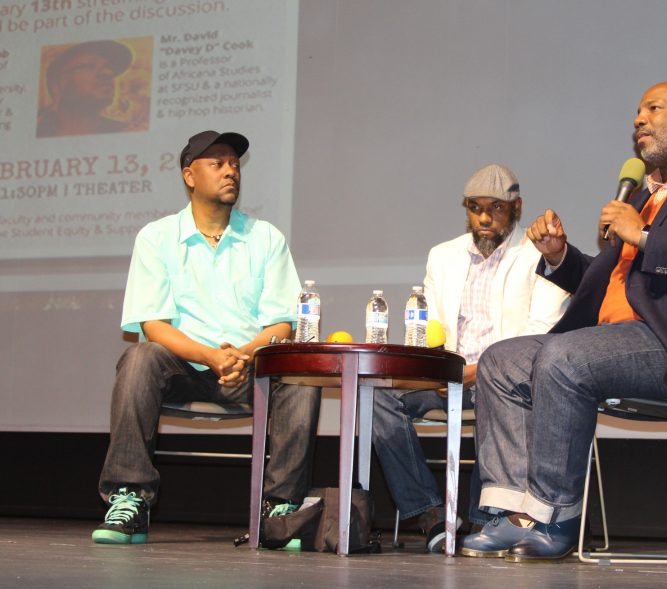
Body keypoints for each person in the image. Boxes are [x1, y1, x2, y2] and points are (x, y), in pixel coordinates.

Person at [461, 82, 667, 562]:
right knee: (502, 360)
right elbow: (612, 281)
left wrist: (646, 236)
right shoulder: (648, 195)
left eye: (653, 109)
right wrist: (560, 256)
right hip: (612, 341)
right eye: (636, 112)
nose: (639, 119)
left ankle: (553, 514)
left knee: (565, 355)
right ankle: (510, 510)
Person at [92, 130, 321, 545]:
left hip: (251, 370)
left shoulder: (265, 237)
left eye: (234, 163)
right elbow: (153, 325)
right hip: (184, 368)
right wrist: (211, 357)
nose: (230, 171)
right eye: (217, 164)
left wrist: (245, 355)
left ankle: (280, 507)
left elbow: (282, 323)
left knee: (301, 372)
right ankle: (130, 497)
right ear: (189, 176)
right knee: (140, 357)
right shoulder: (156, 237)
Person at [371, 164, 569, 552]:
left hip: (504, 380)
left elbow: (541, 333)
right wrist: (443, 372)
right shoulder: (442, 256)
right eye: (475, 207)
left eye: (494, 208)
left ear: (516, 208)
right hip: (449, 376)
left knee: (498, 393)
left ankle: (487, 518)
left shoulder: (538, 257)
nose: (483, 218)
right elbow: (432, 328)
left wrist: (473, 375)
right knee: (377, 395)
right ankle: (431, 515)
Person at [37, 40, 132, 138]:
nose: (107, 73)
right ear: (56, 85)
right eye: (88, 66)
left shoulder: (129, 133)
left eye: (110, 69)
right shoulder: (37, 133)